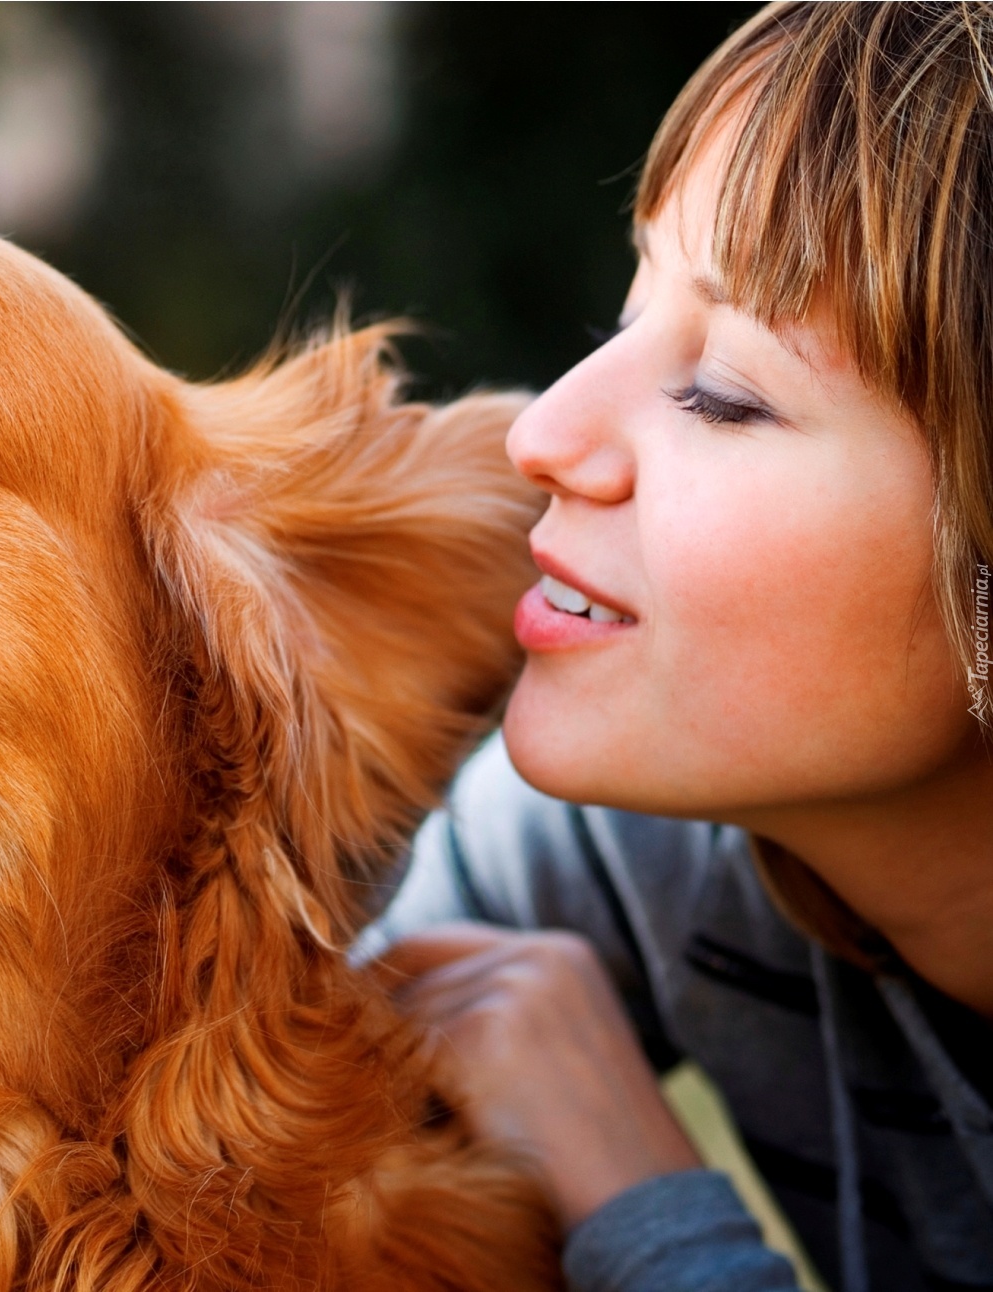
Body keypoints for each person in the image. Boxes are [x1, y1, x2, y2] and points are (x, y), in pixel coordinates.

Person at [356, 5, 993, 1291]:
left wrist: (648, 1215)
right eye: (628, 314)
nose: (542, 432)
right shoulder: (652, 852)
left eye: (724, 393)